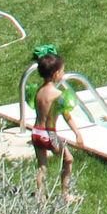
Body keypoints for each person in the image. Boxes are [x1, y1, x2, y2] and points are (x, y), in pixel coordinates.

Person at [29, 51, 86, 201]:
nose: (63, 73)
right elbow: (67, 116)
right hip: (50, 134)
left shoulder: (39, 92)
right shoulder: (57, 94)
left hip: (36, 132)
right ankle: (66, 194)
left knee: (42, 166)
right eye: (62, 71)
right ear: (55, 74)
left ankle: (40, 196)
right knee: (68, 159)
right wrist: (77, 133)